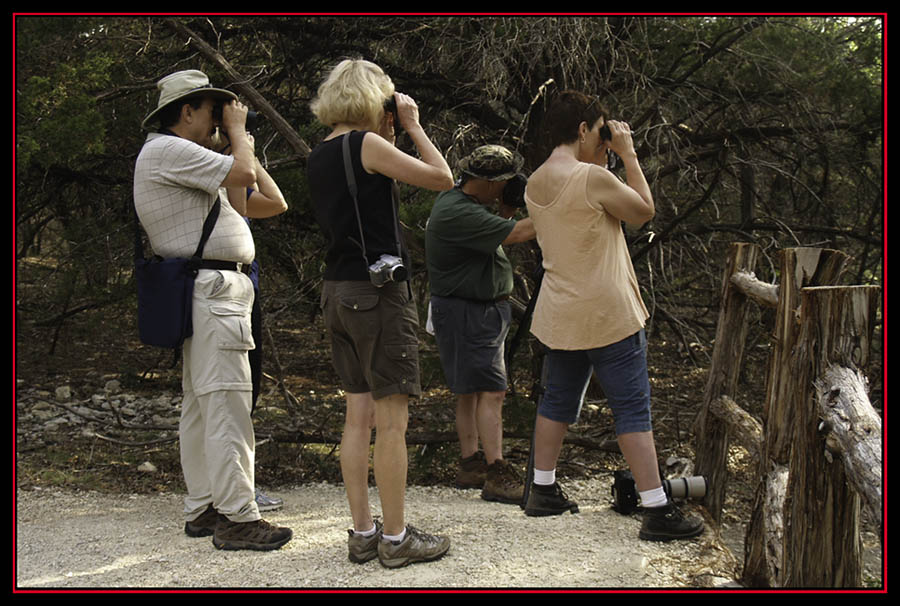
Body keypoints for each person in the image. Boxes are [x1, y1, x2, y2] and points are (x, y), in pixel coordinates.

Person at [522, 90, 704, 541]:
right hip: (607, 312)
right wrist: (628, 153)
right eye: (599, 131)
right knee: (631, 408)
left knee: (556, 401)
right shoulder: (590, 177)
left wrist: (604, 157)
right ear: (583, 130)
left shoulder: (534, 182)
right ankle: (657, 507)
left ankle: (540, 489)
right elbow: (643, 212)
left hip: (560, 312)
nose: (604, 140)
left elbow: (581, 212)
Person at [134, 69, 292, 551]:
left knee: (204, 405)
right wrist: (240, 136)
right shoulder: (168, 149)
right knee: (227, 402)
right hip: (213, 290)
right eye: (213, 111)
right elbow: (243, 178)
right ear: (187, 111)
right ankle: (237, 517)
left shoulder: (188, 161)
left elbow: (270, 203)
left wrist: (237, 143)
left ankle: (204, 506)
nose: (221, 120)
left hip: (210, 290)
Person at [307, 59, 454, 568]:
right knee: (391, 423)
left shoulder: (320, 151)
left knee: (357, 417)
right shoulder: (367, 146)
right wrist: (411, 125)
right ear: (377, 100)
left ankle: (363, 532)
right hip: (378, 294)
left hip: (337, 292)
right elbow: (442, 177)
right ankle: (396, 539)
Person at [424, 145, 536, 504]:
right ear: (487, 183)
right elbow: (516, 234)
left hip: (468, 310)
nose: (505, 187)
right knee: (492, 390)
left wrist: (506, 209)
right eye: (502, 182)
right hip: (471, 312)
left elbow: (499, 229)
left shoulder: (460, 203)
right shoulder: (459, 212)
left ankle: (471, 463)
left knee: (470, 391)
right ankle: (497, 470)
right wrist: (562, 211)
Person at [211, 130, 290, 513]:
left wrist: (249, 154)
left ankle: (235, 482)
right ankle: (232, 487)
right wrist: (239, 153)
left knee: (249, 387)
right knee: (232, 393)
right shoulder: (208, 173)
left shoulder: (234, 169)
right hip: (223, 294)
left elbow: (276, 203)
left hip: (246, 290)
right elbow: (241, 204)